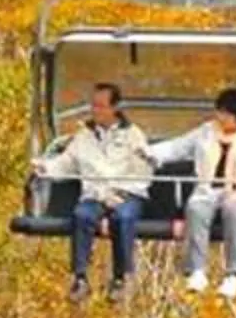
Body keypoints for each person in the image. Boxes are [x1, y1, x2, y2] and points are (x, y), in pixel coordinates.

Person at [147, 86, 236, 297]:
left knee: (235, 210)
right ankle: (196, 270)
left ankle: (235, 273)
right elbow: (178, 147)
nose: (220, 117)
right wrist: (148, 152)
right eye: (219, 112)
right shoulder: (207, 131)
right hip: (208, 190)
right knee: (196, 208)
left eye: (226, 114)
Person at [37, 83, 153, 297]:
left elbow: (144, 172)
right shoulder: (84, 136)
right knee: (82, 215)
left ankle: (120, 278)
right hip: (95, 195)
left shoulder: (133, 136)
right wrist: (45, 168)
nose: (95, 110)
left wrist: (122, 193)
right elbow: (67, 162)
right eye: (93, 105)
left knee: (123, 218)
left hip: (125, 195)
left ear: (115, 108)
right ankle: (80, 278)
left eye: (100, 106)